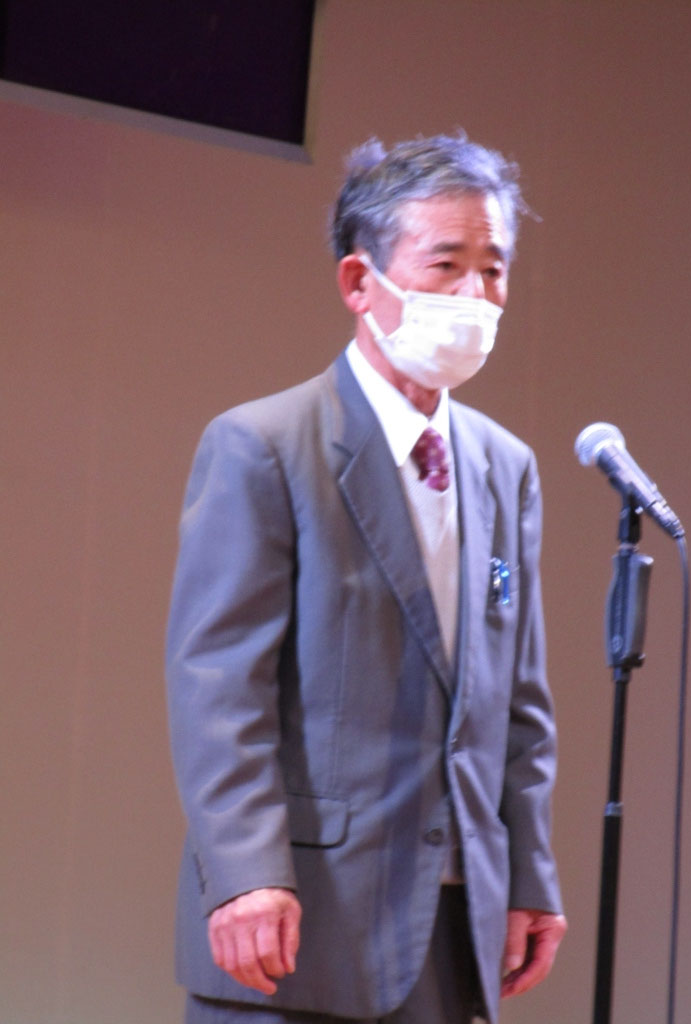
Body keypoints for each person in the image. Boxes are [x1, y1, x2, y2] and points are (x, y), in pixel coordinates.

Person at [166, 133, 567, 1024]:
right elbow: (218, 687)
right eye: (446, 265)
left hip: (452, 929)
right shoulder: (267, 445)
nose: (474, 294)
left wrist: (529, 874)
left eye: (493, 269)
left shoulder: (504, 465)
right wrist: (245, 874)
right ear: (360, 282)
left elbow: (519, 702)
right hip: (298, 924)